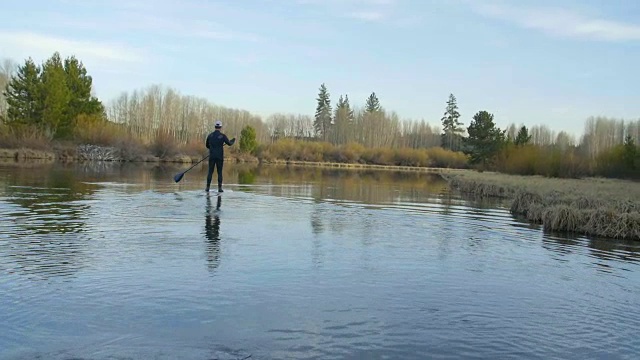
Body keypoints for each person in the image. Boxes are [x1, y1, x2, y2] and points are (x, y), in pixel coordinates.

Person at [205, 120, 235, 192]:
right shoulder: (223, 136)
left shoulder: (210, 135)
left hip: (212, 156)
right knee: (219, 172)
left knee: (210, 172)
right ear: (220, 127)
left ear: (215, 126)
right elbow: (229, 143)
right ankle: (220, 188)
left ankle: (207, 188)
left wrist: (212, 149)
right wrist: (233, 140)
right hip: (219, 157)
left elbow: (207, 145)